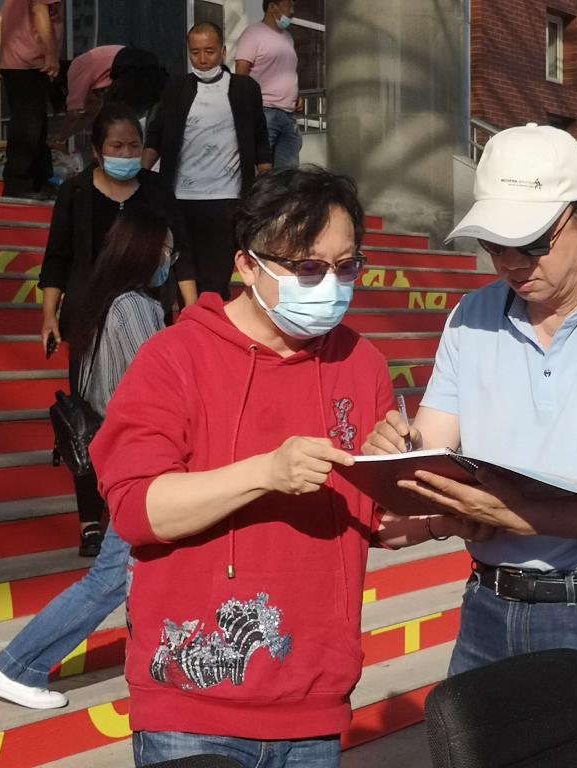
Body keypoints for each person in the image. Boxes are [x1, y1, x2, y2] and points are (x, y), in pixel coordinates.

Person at [362, 123, 577, 768]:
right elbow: (432, 445)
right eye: (494, 244)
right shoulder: (471, 317)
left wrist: (514, 515)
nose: (511, 263)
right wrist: (401, 456)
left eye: (530, 243)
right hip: (489, 606)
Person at [90, 168, 420, 768]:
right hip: (192, 705)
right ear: (247, 264)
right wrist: (265, 473)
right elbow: (137, 509)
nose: (330, 285)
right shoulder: (174, 357)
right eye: (308, 268)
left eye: (346, 266)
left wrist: (420, 489)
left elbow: (377, 523)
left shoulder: (362, 362)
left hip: (316, 700)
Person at [0, 205, 171, 709]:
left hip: (123, 450)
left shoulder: (103, 301)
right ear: (146, 252)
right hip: (143, 456)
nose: (170, 260)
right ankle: (18, 664)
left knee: (139, 570)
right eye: (167, 251)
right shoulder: (135, 307)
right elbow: (162, 383)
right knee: (110, 577)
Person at [39, 103, 198, 557]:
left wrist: (191, 308)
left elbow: (181, 252)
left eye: (134, 145)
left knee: (126, 408)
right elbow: (57, 257)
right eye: (117, 146)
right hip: (88, 315)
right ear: (96, 150)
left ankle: (129, 509)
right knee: (87, 415)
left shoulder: (155, 190)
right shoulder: (76, 193)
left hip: (145, 306)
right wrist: (49, 315)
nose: (127, 154)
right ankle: (92, 520)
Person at [143, 22, 272, 299]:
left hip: (227, 200)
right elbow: (157, 133)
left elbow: (260, 135)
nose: (202, 59)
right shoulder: (177, 87)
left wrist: (265, 180)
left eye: (210, 51)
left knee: (215, 280)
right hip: (180, 198)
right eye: (195, 52)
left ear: (223, 51)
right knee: (183, 277)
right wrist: (142, 173)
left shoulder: (244, 88)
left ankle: (211, 323)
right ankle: (189, 323)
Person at [0, 0, 63, 199]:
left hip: (19, 59)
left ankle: (39, 180)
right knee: (28, 125)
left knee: (37, 123)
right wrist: (51, 54)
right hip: (28, 61)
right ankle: (19, 184)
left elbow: (0, 21)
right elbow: (40, 11)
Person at [234, 0, 303, 169]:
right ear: (273, 7)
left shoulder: (288, 38)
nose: (292, 11)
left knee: (288, 174)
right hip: (265, 112)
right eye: (289, 5)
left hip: (289, 115)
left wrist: (296, 94)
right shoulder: (253, 33)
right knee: (261, 171)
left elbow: (287, 70)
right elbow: (241, 74)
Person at [49, 44, 125, 150]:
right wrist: (63, 137)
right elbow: (91, 113)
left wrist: (60, 139)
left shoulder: (76, 71)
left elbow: (73, 114)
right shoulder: (98, 76)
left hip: (130, 65)